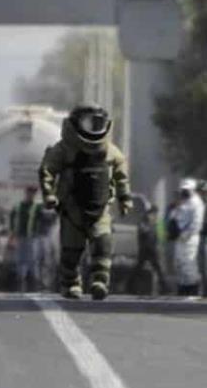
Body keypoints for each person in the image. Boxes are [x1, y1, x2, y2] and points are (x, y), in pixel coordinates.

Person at [38, 103, 132, 301]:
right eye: (89, 123)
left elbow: (121, 175)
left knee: (103, 245)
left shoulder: (110, 151)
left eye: (98, 123)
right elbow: (47, 169)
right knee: (71, 250)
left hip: (100, 208)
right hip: (72, 208)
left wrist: (125, 198)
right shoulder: (64, 149)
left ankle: (100, 281)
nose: (94, 128)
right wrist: (49, 194)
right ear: (75, 124)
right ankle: (71, 283)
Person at [168, 178, 205, 296]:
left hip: (190, 238)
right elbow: (174, 216)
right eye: (183, 190)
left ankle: (193, 290)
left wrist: (188, 234)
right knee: (179, 264)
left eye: (187, 190)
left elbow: (197, 222)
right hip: (180, 237)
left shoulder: (196, 203)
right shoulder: (182, 202)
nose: (184, 192)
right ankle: (182, 289)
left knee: (189, 264)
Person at [126, 205, 170, 295]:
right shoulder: (143, 222)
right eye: (152, 214)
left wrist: (161, 244)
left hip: (153, 250)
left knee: (159, 269)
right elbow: (143, 232)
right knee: (137, 269)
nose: (154, 216)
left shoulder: (158, 223)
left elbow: (162, 237)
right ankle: (130, 287)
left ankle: (165, 288)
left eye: (155, 214)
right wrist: (152, 226)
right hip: (144, 250)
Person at [9, 186, 44, 293]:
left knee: (33, 261)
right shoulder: (19, 206)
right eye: (30, 193)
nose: (31, 195)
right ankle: (20, 284)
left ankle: (34, 285)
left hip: (33, 238)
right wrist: (12, 235)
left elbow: (44, 219)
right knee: (20, 260)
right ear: (26, 193)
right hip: (20, 237)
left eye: (33, 193)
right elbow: (12, 219)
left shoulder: (37, 207)